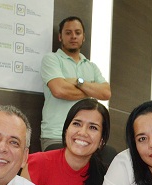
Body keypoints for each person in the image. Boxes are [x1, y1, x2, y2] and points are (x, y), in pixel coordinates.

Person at [40, 16, 111, 151]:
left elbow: (106, 93)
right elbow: (59, 90)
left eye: (77, 33)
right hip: (56, 135)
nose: (73, 36)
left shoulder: (91, 66)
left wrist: (78, 82)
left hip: (85, 136)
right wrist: (91, 90)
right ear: (60, 37)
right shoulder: (51, 59)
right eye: (68, 33)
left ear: (83, 37)